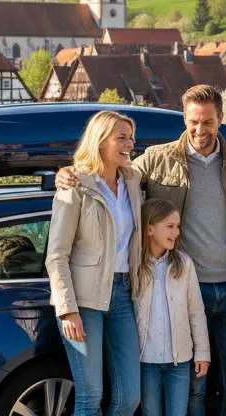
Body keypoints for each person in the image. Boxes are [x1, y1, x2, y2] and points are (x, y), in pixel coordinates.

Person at [58, 85, 226, 416]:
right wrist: (66, 172)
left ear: (221, 120)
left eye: (208, 122)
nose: (200, 130)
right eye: (193, 122)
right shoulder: (157, 159)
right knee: (190, 388)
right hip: (180, 285)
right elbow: (105, 177)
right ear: (184, 119)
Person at [45, 110, 143, 416]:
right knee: (90, 397)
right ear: (100, 142)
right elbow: (56, 254)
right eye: (121, 138)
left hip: (124, 295)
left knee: (128, 399)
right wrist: (67, 309)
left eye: (131, 137)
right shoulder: (75, 186)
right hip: (84, 302)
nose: (130, 143)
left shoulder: (133, 180)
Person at [134, 198, 211, 416]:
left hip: (180, 360)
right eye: (169, 226)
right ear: (149, 228)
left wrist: (202, 352)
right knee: (150, 412)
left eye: (177, 226)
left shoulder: (184, 263)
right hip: (146, 359)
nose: (175, 232)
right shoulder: (134, 266)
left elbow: (195, 310)